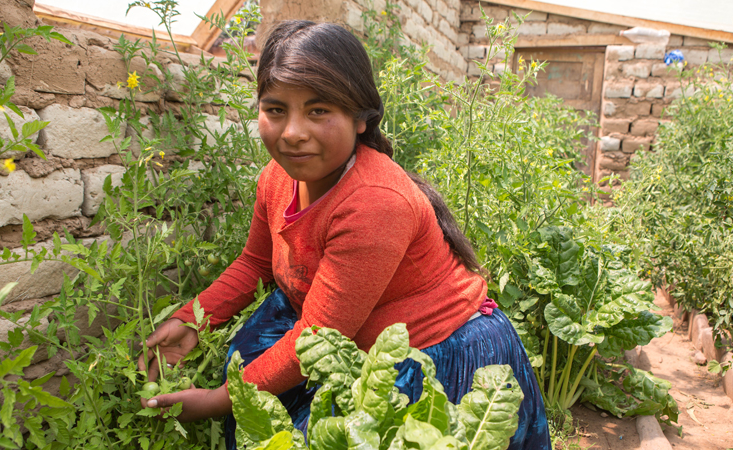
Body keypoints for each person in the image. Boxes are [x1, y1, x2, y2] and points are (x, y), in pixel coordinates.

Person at [138, 20, 551, 450]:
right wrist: (193, 318)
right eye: (276, 110)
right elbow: (256, 263)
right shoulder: (276, 179)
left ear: (360, 118)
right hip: (337, 332)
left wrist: (219, 401)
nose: (293, 132)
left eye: (318, 111)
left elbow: (317, 334)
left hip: (430, 350)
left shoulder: (375, 203)